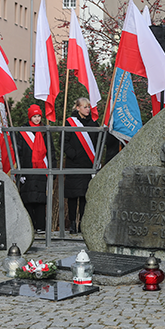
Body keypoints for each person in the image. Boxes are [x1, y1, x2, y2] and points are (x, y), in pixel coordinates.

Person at [64, 97, 97, 234]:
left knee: (84, 196)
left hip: (87, 164)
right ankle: (72, 223)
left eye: (88, 107)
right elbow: (64, 142)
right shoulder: (70, 123)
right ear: (77, 108)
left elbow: (98, 142)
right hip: (74, 164)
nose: (87, 109)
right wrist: (74, 154)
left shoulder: (94, 123)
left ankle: (82, 224)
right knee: (72, 196)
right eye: (84, 107)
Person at [15, 104, 48, 232]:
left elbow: (50, 152)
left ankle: (41, 226)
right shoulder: (23, 132)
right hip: (27, 168)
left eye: (39, 116)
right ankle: (30, 226)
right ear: (30, 117)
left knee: (40, 200)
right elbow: (19, 152)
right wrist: (21, 172)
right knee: (27, 200)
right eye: (34, 116)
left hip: (42, 169)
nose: (37, 119)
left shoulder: (45, 131)